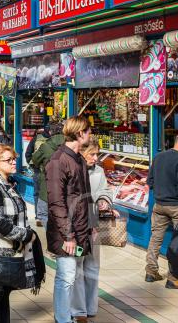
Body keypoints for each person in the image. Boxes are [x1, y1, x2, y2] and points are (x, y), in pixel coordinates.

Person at [0, 144, 44, 323]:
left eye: (14, 158)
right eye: (9, 160)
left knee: (3, 292)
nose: (14, 162)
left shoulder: (7, 184)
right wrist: (26, 235)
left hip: (10, 250)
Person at [46, 116, 94, 323]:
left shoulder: (79, 159)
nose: (91, 135)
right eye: (88, 131)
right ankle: (63, 318)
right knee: (66, 276)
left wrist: (92, 224)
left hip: (82, 228)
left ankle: (75, 313)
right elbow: (56, 202)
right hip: (66, 232)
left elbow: (86, 195)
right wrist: (68, 235)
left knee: (76, 274)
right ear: (79, 133)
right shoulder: (58, 161)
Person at [72, 136, 118, 322]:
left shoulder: (98, 170)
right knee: (76, 268)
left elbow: (105, 190)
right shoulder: (72, 170)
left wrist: (104, 202)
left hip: (93, 224)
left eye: (97, 154)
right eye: (92, 154)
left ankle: (91, 306)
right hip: (76, 226)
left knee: (92, 266)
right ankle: (78, 310)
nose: (95, 158)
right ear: (81, 153)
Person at [145, 136, 178, 283]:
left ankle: (151, 272)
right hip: (176, 206)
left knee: (155, 239)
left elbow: (150, 181)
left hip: (159, 205)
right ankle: (173, 277)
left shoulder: (158, 157)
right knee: (176, 241)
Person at [30, 123, 65, 227]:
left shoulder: (45, 146)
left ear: (50, 132)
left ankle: (50, 234)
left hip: (47, 184)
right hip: (66, 186)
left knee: (43, 213)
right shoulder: (71, 145)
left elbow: (35, 160)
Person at [25, 123, 53, 226]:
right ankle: (42, 216)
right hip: (42, 171)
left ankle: (39, 216)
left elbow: (28, 154)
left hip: (38, 171)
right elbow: (28, 154)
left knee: (38, 194)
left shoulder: (37, 138)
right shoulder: (57, 141)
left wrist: (33, 166)